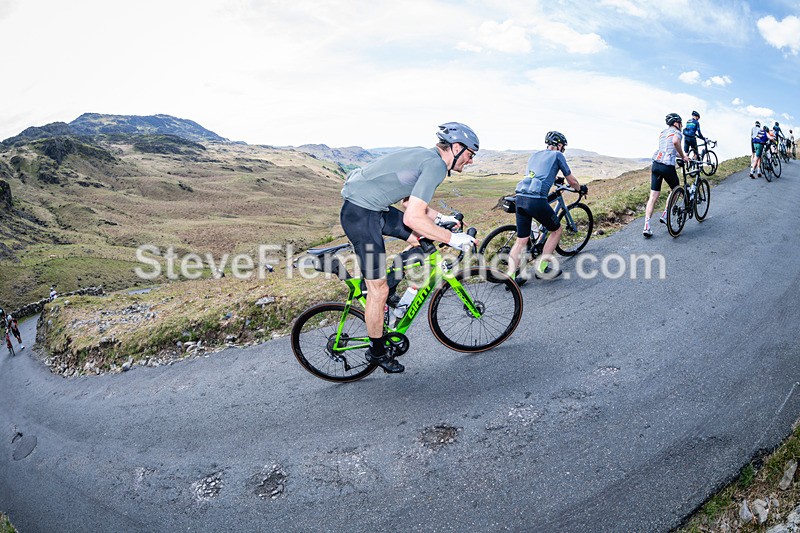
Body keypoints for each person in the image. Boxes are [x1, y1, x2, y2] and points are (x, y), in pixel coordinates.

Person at [339, 122, 479, 373]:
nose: (470, 161)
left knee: (421, 242)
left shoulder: (427, 156)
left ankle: (390, 283)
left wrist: (440, 220)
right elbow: (412, 218)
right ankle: (378, 351)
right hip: (361, 215)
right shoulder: (436, 165)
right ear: (457, 148)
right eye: (470, 155)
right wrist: (452, 238)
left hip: (374, 209)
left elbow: (408, 201)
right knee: (377, 291)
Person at [507, 131, 587, 279]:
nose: (563, 149)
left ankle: (510, 278)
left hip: (520, 198)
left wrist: (555, 179)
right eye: (563, 146)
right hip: (536, 200)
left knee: (521, 241)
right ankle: (542, 268)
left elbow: (536, 175)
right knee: (556, 230)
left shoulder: (535, 155)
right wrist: (580, 188)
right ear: (559, 145)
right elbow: (572, 181)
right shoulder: (558, 155)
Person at [643, 113, 689, 237]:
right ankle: (665, 213)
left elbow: (670, 150)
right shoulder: (677, 133)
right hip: (667, 166)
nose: (681, 125)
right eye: (680, 122)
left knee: (653, 196)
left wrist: (682, 156)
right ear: (676, 123)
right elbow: (675, 143)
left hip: (656, 165)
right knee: (676, 189)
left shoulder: (663, 133)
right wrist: (684, 156)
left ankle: (647, 226)